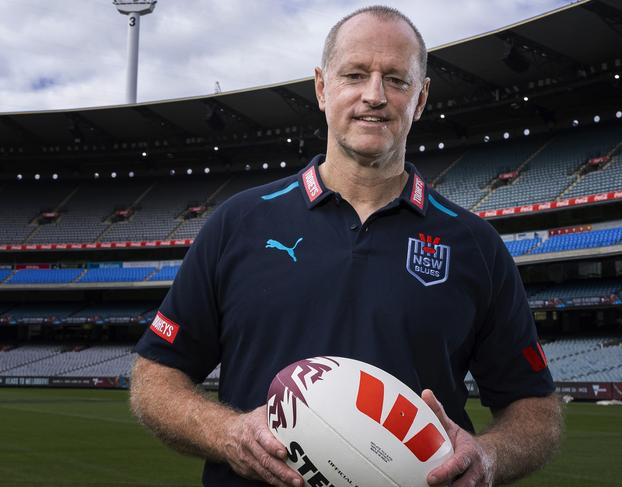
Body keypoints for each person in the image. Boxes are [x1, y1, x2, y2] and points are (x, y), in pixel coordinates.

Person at [130, 6, 563, 487]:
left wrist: (488, 455)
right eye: (355, 74)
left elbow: (535, 406)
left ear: (421, 99)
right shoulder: (240, 222)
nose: (374, 96)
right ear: (321, 87)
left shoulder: (475, 244)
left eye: (397, 80)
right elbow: (155, 378)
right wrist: (228, 432)